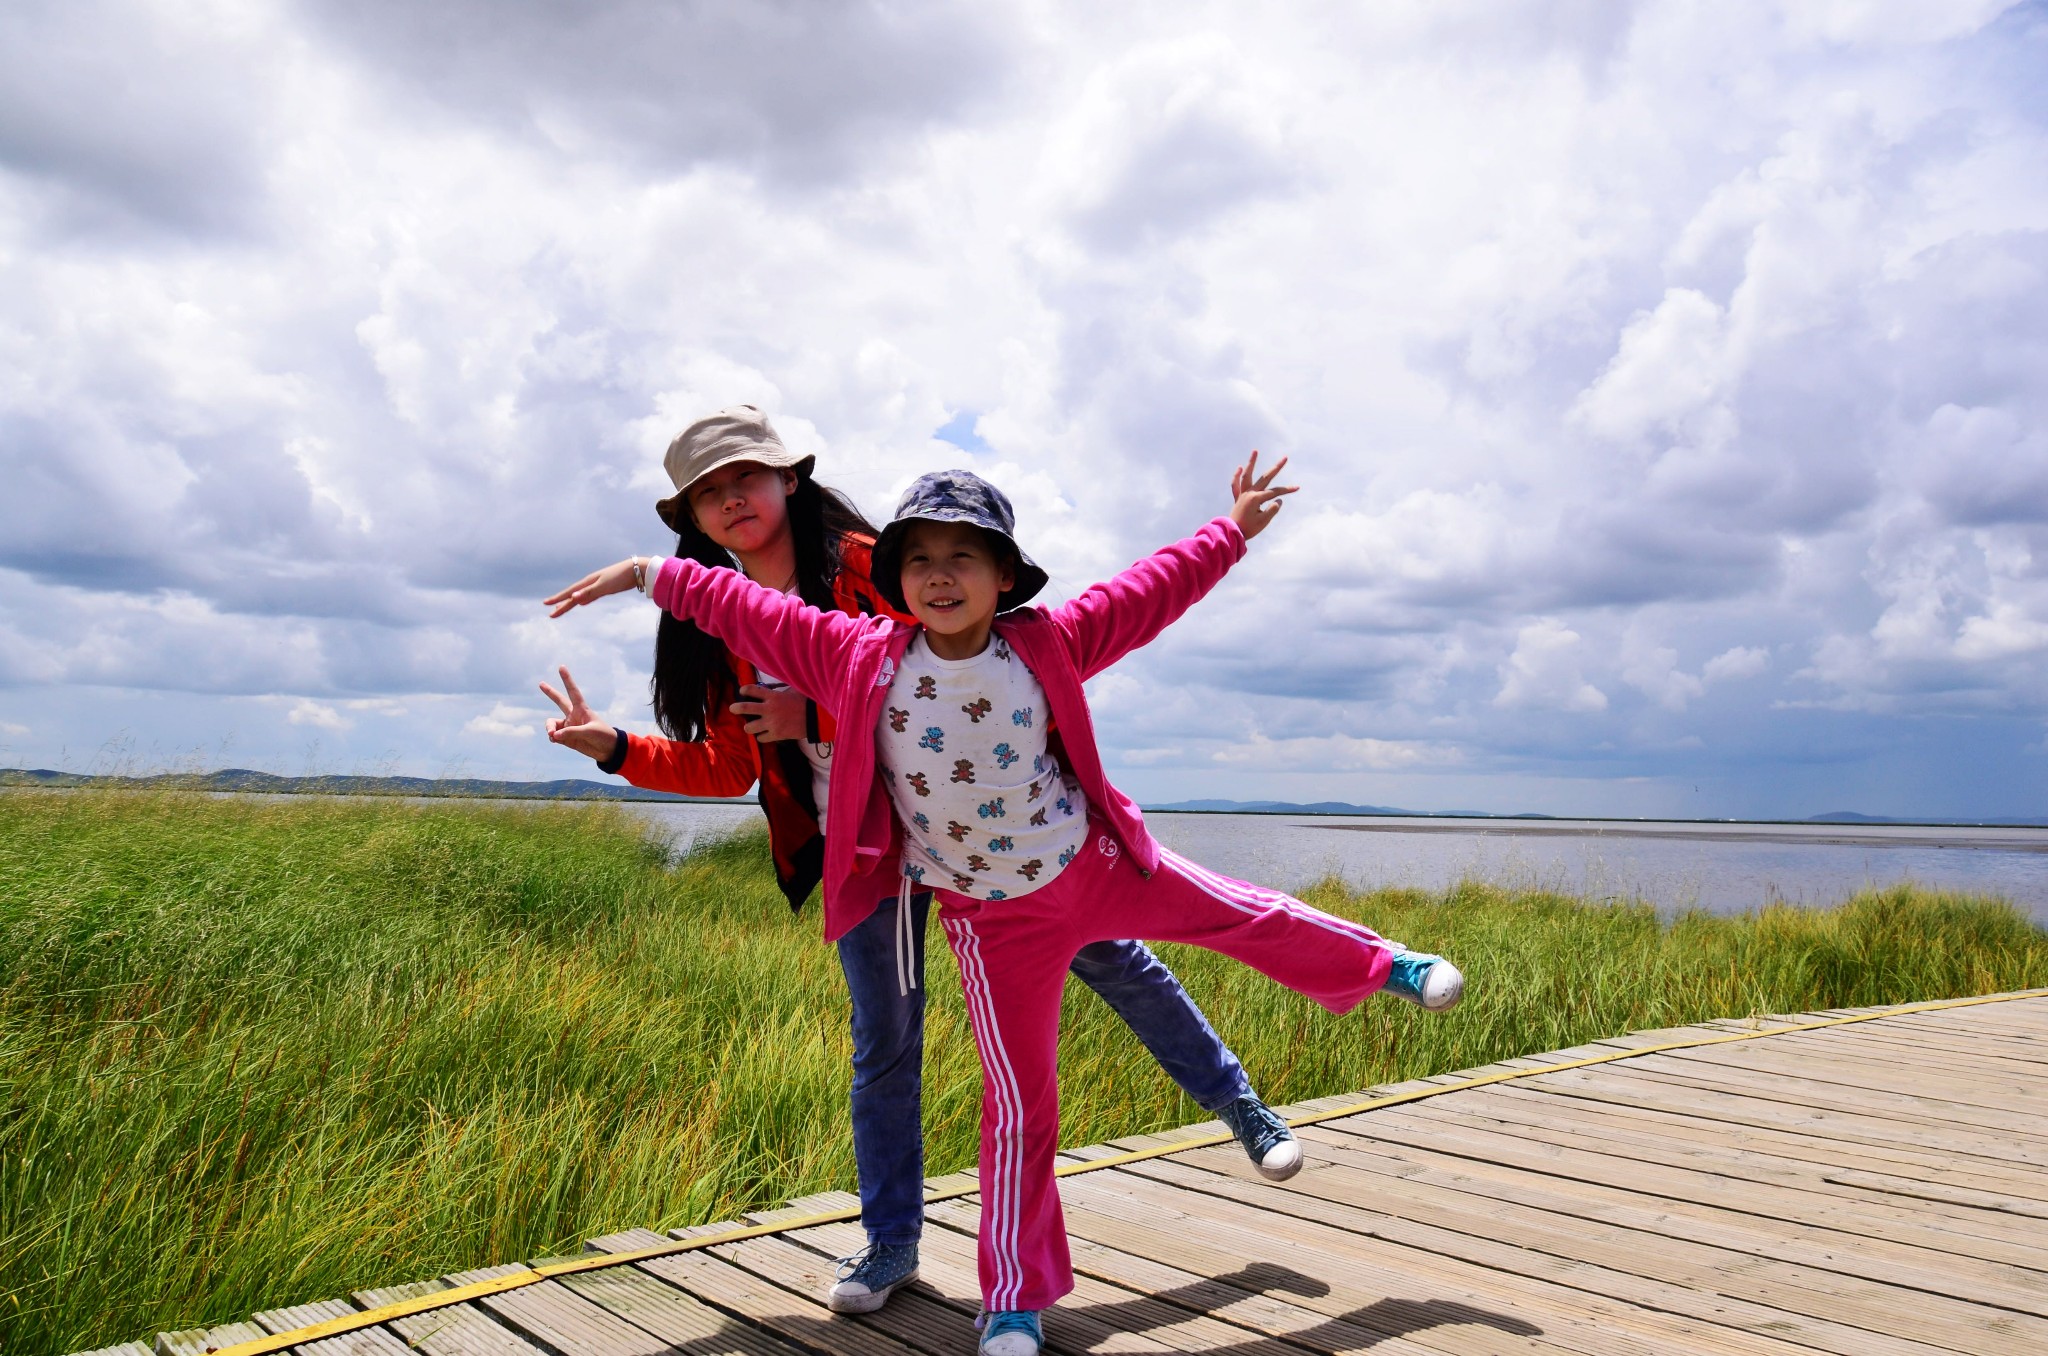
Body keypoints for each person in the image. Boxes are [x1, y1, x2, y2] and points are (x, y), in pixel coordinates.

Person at [546, 449, 1466, 1356]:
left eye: (964, 560)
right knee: (1020, 1107)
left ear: (1003, 577)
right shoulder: (853, 653)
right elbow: (738, 606)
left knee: (1240, 914)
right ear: (895, 577)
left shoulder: (1047, 642)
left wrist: (1230, 531)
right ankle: (1015, 1303)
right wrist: (645, 579)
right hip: (991, 917)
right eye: (921, 562)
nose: (940, 579)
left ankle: (1390, 967)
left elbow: (1148, 592)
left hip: (1093, 860)